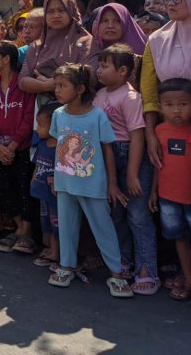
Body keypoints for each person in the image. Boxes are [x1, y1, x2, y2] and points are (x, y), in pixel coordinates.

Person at [46, 64, 133, 298]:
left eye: (63, 86)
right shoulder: (58, 114)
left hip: (93, 185)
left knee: (103, 228)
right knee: (66, 227)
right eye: (56, 85)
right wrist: (53, 176)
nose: (57, 90)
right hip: (65, 184)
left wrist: (112, 184)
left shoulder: (97, 116)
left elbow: (108, 150)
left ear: (81, 88)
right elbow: (56, 146)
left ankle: (116, 273)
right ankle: (66, 266)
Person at [94, 44, 158, 294]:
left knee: (138, 215)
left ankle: (146, 269)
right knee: (117, 212)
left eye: (105, 66)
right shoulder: (99, 96)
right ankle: (122, 262)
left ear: (123, 71)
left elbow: (137, 136)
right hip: (108, 157)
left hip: (131, 155)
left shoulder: (131, 97)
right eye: (99, 65)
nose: (99, 70)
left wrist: (132, 173)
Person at [0, 41, 36, 255]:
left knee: (24, 189)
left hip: (20, 148)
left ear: (6, 59)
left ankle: (27, 233)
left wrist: (13, 145)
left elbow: (28, 116)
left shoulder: (22, 85)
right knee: (3, 187)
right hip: (0, 148)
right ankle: (18, 228)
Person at [142, 0, 191, 170]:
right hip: (172, 129)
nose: (171, 3)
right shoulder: (156, 40)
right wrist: (151, 135)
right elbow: (150, 93)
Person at [149, 78, 191, 301]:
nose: (176, 110)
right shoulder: (159, 130)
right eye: (169, 104)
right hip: (168, 198)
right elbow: (158, 164)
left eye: (183, 104)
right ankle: (187, 277)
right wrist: (154, 191)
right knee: (179, 238)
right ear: (160, 106)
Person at [19, 0, 92, 99]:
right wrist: (45, 86)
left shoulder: (87, 42)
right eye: (50, 11)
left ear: (71, 11)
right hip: (42, 111)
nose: (56, 15)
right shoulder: (37, 46)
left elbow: (90, 77)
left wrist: (53, 83)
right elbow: (22, 80)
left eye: (61, 10)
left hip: (78, 110)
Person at [30, 101, 62, 268]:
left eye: (42, 125)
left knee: (57, 224)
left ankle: (57, 253)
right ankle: (50, 248)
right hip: (42, 192)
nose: (38, 129)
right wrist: (33, 180)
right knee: (46, 223)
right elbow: (37, 165)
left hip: (54, 196)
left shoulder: (60, 148)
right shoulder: (41, 144)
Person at [87, 3, 146, 84]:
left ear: (125, 23)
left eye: (117, 21)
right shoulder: (89, 49)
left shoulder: (141, 52)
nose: (110, 26)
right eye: (105, 21)